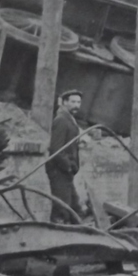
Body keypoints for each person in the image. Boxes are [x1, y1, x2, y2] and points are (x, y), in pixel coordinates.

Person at [46, 90, 83, 223]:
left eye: (78, 102)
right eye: (73, 102)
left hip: (66, 171)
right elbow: (56, 149)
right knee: (61, 209)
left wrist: (74, 167)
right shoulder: (61, 120)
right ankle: (55, 237)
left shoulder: (70, 119)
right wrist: (68, 166)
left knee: (74, 208)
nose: (76, 105)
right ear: (65, 102)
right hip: (59, 170)